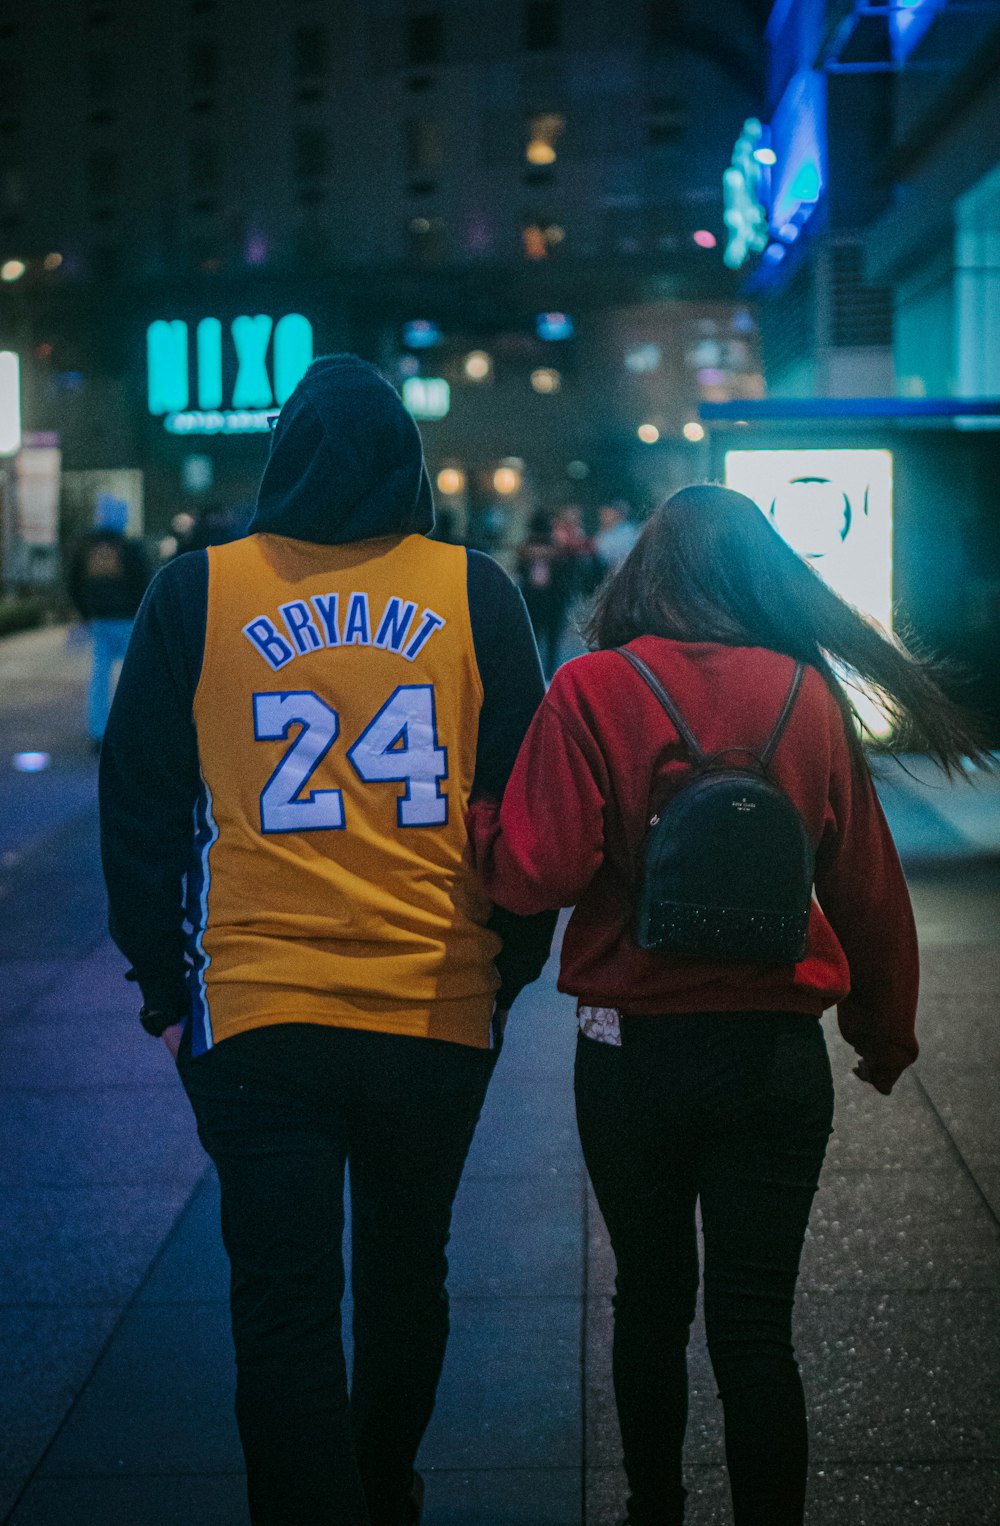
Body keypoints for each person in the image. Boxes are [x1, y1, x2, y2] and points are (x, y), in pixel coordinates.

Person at [467, 484, 990, 1526]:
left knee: (648, 1304)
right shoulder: (805, 694)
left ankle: (652, 1506)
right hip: (772, 1058)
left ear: (642, 572)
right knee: (756, 1328)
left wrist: (482, 820)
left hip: (632, 1058)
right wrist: (882, 1033)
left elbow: (539, 869)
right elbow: (868, 890)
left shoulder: (592, 689)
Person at [98, 355, 555, 1526]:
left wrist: (164, 985)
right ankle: (380, 1482)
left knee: (283, 1299)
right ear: (410, 463)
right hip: (434, 999)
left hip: (255, 1006)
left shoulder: (199, 592)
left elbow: (140, 803)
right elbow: (528, 805)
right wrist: (507, 968)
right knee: (410, 1276)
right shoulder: (475, 591)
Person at [66, 492, 150, 750]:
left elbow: (74, 582)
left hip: (100, 620)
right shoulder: (129, 547)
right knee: (132, 677)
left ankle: (98, 732)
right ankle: (134, 729)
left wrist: (85, 613)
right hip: (127, 621)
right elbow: (143, 581)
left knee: (100, 678)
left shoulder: (86, 547)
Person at [594, 499, 640, 575]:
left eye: (607, 514)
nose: (602, 517)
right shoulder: (600, 534)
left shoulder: (629, 530)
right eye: (602, 514)